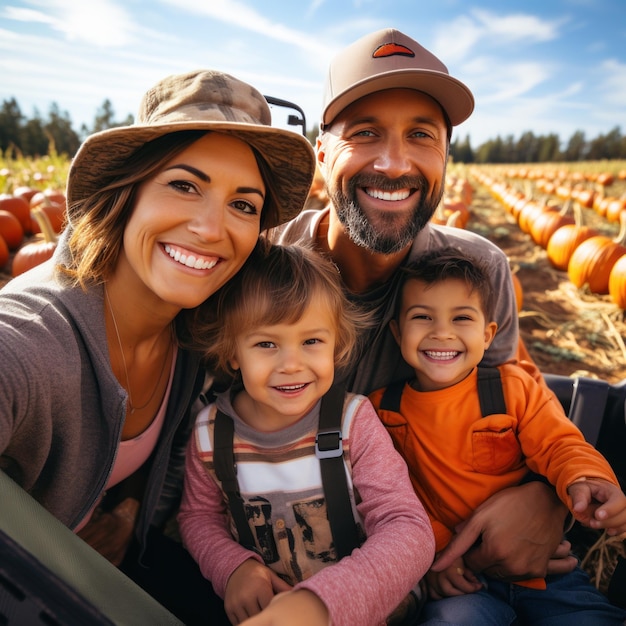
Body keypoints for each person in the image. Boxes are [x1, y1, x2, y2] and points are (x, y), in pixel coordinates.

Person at [0, 69, 316, 625]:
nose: (211, 226)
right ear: (127, 191)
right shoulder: (35, 338)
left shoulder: (195, 333)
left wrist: (125, 514)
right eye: (184, 184)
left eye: (243, 205)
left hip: (119, 567)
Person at [271, 26, 577, 586]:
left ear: (445, 158)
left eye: (421, 135)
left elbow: (516, 402)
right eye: (365, 133)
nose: (394, 163)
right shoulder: (260, 268)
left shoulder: (478, 272)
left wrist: (544, 495)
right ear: (321, 153)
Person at [178, 240, 435, 626]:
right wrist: (233, 569)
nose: (292, 364)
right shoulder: (211, 435)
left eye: (311, 341)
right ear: (233, 353)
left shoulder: (353, 422)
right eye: (266, 344)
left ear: (336, 344)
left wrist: (324, 604)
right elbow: (198, 518)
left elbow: (407, 527)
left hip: (364, 606)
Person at [368, 247, 626, 625]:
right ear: (397, 331)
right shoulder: (382, 412)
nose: (442, 332)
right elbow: (396, 495)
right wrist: (435, 558)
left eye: (462, 318)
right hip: (462, 580)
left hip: (545, 572)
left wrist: (586, 478)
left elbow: (559, 443)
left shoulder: (512, 389)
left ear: (488, 334)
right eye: (422, 317)